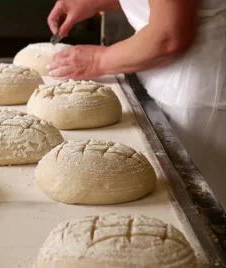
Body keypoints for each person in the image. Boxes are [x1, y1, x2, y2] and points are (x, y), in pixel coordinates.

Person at [47, 0, 226, 207]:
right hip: (170, 85)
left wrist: (97, 60)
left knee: (205, 210)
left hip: (201, 99)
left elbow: (169, 36)